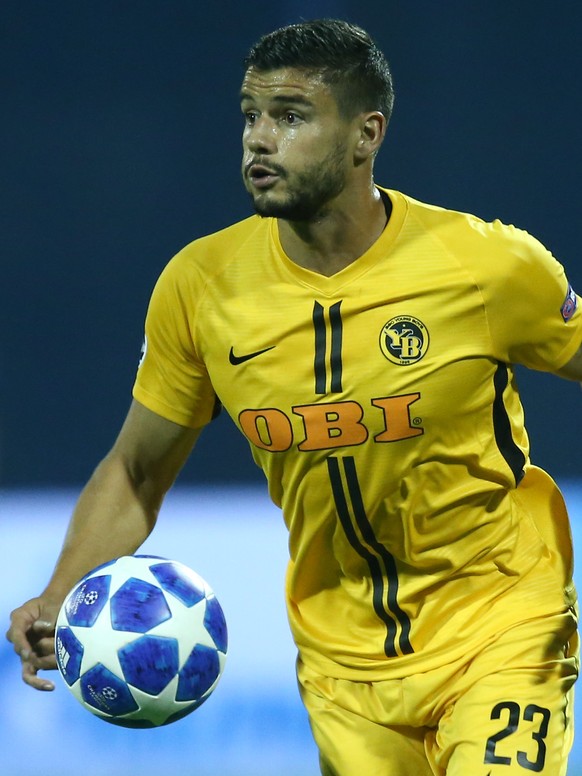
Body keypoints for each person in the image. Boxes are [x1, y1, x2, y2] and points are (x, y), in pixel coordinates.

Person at [6, 18, 582, 776]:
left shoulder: (485, 266)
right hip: (343, 672)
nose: (258, 140)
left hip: (502, 626)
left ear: (364, 135)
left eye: (290, 116)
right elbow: (137, 472)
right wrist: (58, 589)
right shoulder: (201, 286)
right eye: (250, 115)